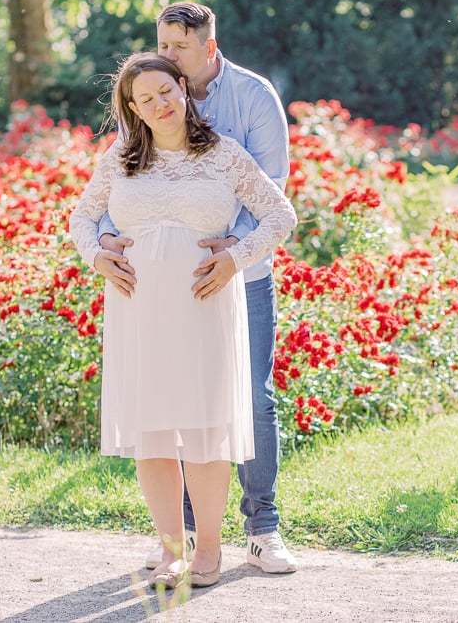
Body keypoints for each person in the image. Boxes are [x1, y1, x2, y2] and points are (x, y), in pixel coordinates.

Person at [70, 52, 296, 589]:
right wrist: (97, 255)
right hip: (137, 308)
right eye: (145, 100)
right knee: (152, 432)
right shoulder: (121, 157)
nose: (160, 104)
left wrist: (237, 255)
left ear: (182, 87)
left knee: (203, 432)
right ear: (133, 109)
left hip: (204, 304)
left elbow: (281, 213)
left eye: (165, 91)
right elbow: (82, 215)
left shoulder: (224, 154)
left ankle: (209, 553)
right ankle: (172, 550)